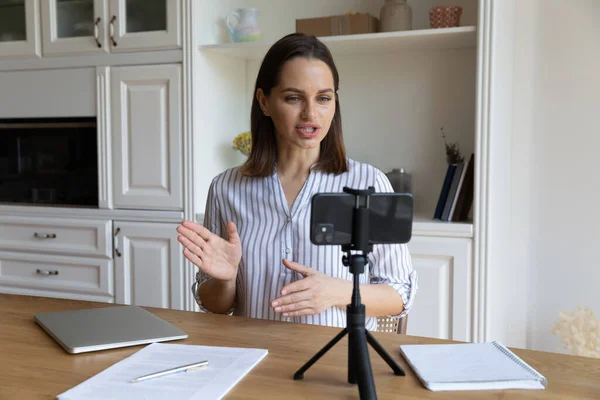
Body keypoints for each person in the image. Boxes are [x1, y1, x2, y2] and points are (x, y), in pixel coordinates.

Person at [176, 33, 417, 331]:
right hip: (253, 360)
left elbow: (400, 294)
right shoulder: (226, 188)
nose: (310, 114)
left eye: (323, 98)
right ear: (264, 102)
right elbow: (215, 305)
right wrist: (226, 279)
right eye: (293, 98)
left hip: (336, 366)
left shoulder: (369, 182)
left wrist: (336, 293)